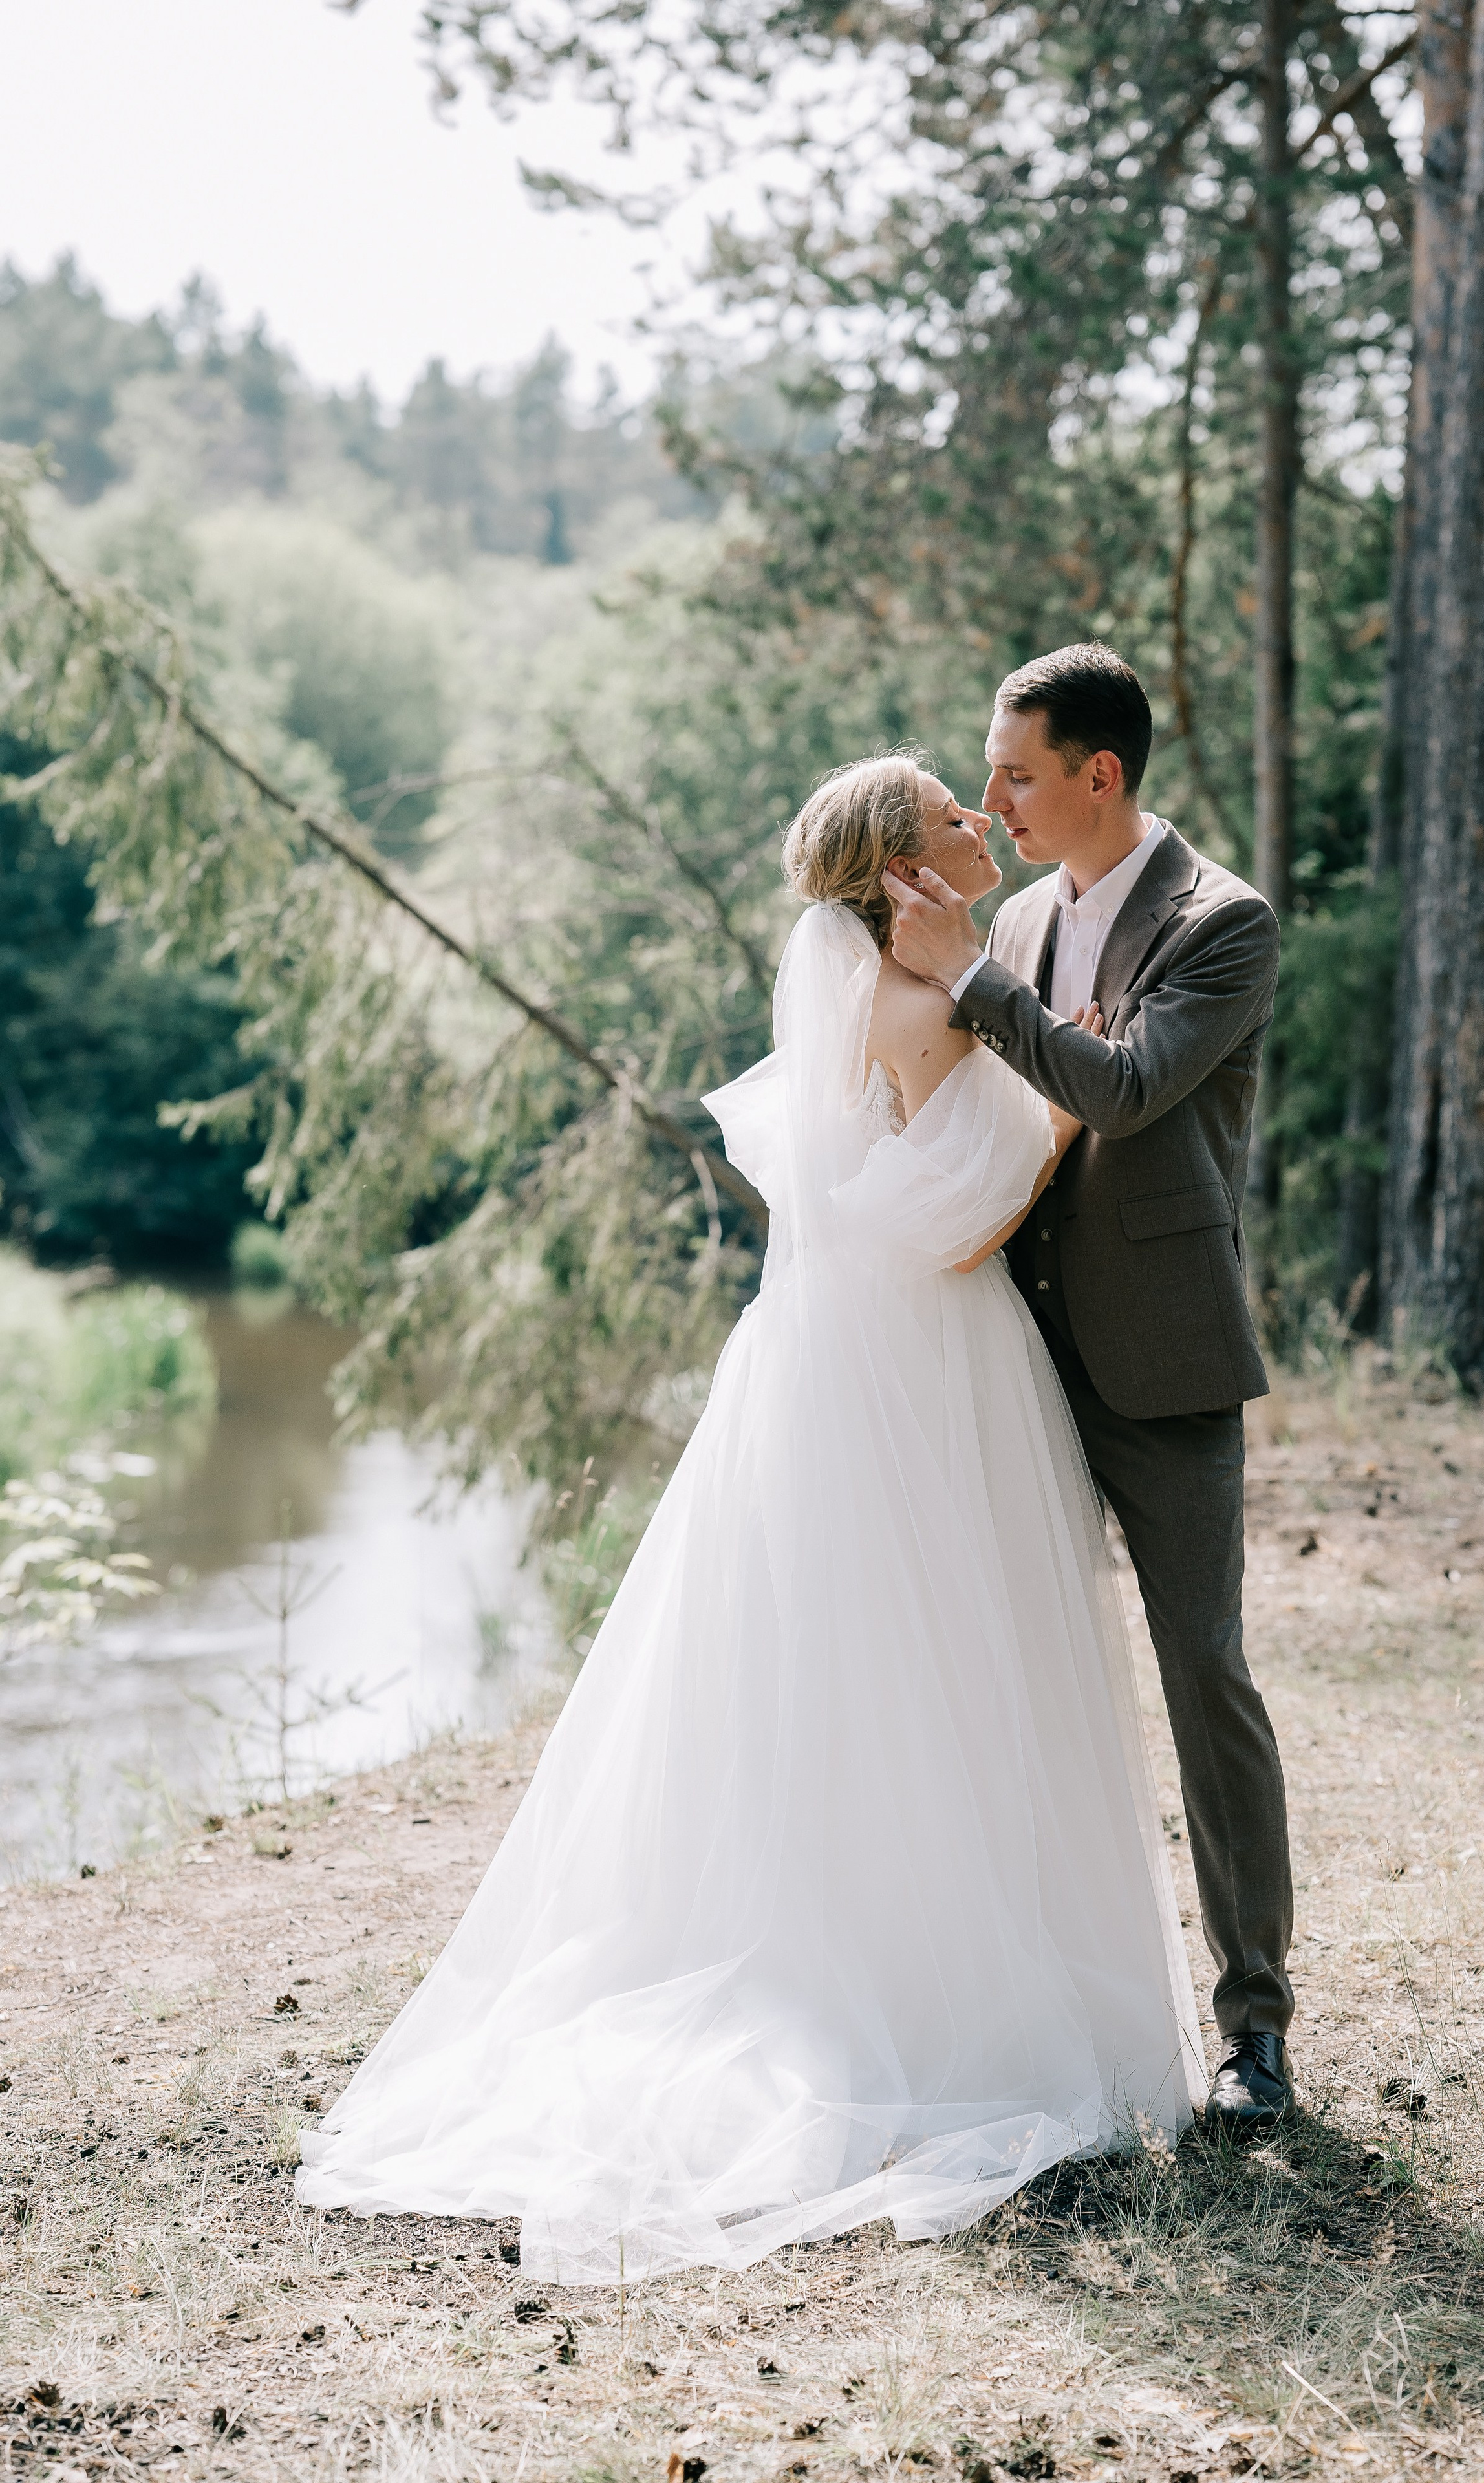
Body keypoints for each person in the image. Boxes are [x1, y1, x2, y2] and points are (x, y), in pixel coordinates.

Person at [297, 753, 1203, 2284]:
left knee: (851, 1660)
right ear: (899, 869)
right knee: (944, 1655)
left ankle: (880, 1935)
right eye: (947, 814)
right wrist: (1062, 1116)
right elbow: (951, 1229)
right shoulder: (920, 1009)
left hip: (831, 1361)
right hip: (928, 1364)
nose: (975, 820)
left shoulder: (865, 998)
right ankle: (933, 1984)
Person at [883, 642, 1296, 2132]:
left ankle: (1253, 2029)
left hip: (1163, 1360)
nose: (990, 802)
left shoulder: (1220, 924)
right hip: (1011, 1352)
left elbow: (1117, 1093)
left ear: (1097, 775)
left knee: (1203, 1673)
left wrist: (971, 982)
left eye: (1013, 775)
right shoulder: (1018, 916)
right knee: (1005, 1671)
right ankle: (1021, 2008)